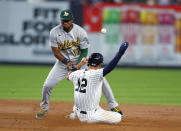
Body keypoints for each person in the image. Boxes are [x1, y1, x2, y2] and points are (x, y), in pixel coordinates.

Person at [36, 9, 122, 119]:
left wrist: (79, 64)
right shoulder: (54, 32)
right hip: (63, 63)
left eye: (67, 20)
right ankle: (44, 108)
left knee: (102, 79)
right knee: (47, 85)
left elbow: (84, 51)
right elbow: (56, 52)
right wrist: (66, 62)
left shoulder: (80, 31)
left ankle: (113, 105)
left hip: (80, 62)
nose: (65, 23)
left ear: (72, 20)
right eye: (63, 20)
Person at [67, 42, 129, 124]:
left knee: (101, 81)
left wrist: (81, 63)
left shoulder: (77, 73)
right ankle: (83, 119)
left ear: (88, 62)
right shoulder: (96, 74)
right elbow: (110, 67)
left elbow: (68, 76)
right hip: (90, 116)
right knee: (117, 117)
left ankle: (75, 116)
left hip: (77, 110)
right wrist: (120, 53)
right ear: (100, 64)